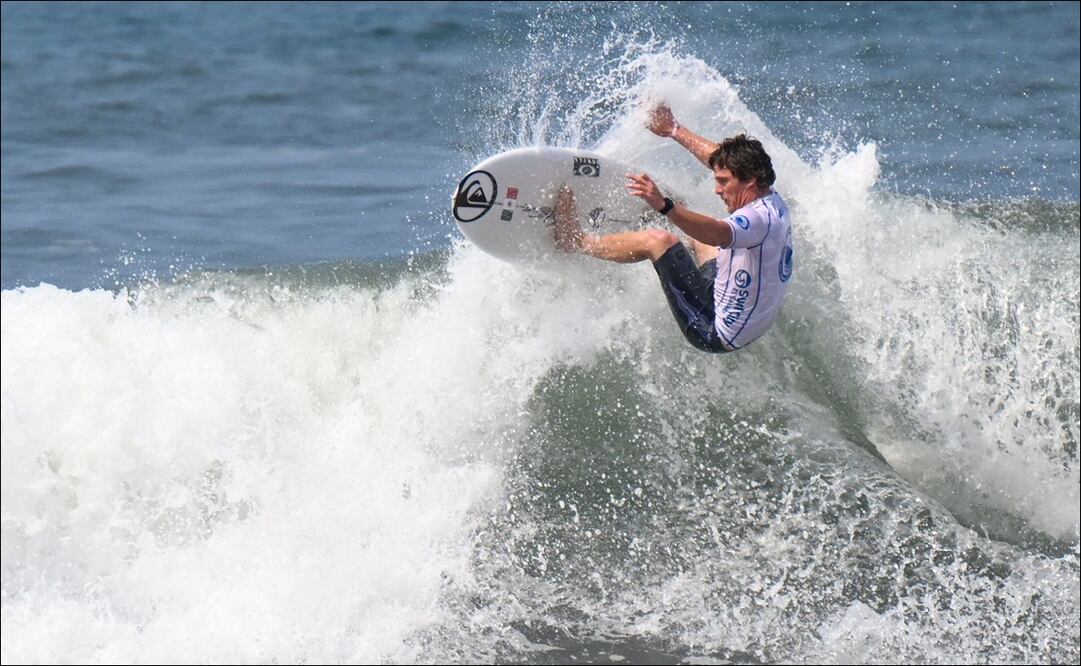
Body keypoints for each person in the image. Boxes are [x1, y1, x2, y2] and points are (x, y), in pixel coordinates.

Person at [553, 104, 794, 353]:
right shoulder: (769, 197)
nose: (717, 189)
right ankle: (665, 244)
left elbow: (718, 233)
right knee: (695, 229)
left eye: (723, 182)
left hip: (713, 328)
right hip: (739, 308)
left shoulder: (757, 219)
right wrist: (673, 129)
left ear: (750, 181)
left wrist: (664, 206)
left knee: (658, 240)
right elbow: (720, 160)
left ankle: (576, 241)